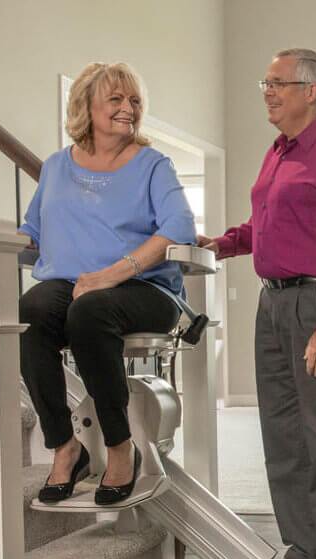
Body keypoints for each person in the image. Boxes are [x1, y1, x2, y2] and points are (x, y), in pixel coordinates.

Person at [199, 48, 316, 559]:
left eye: (278, 83)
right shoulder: (278, 153)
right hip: (272, 304)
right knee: (281, 431)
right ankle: (303, 548)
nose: (267, 92)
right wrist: (221, 244)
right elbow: (266, 224)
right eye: (265, 82)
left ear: (311, 91)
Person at [19, 62, 196, 506]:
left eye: (134, 101)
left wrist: (111, 274)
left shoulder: (154, 165)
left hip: (146, 288)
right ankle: (65, 446)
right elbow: (33, 232)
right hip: (74, 284)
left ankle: (120, 446)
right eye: (115, 99)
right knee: (32, 311)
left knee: (89, 311)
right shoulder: (57, 166)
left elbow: (179, 228)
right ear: (86, 107)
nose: (128, 109)